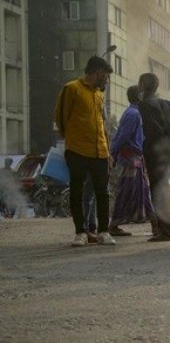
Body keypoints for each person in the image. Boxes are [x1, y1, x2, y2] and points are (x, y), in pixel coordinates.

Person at [53, 55, 116, 246]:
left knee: (102, 192)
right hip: (78, 150)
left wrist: (108, 150)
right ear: (98, 72)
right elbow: (60, 118)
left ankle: (103, 231)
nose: (107, 80)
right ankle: (80, 232)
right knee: (77, 192)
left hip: (100, 151)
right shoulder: (71, 88)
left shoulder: (99, 94)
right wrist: (72, 139)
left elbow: (102, 123)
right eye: (106, 76)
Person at [108, 85, 156, 235]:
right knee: (131, 192)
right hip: (131, 160)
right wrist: (113, 153)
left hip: (134, 160)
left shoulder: (133, 113)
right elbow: (123, 137)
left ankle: (154, 224)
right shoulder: (134, 114)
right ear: (139, 96)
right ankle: (115, 225)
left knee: (141, 191)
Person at [139, 73, 170, 242]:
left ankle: (166, 230)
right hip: (169, 151)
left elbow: (152, 129)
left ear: (142, 85)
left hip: (154, 152)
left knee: (157, 191)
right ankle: (166, 228)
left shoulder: (144, 105)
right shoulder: (168, 104)